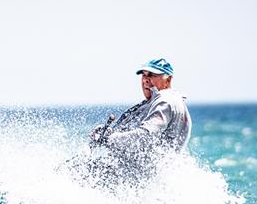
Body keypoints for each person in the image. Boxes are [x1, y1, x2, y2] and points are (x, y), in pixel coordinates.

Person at [80, 57, 191, 186]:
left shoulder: (165, 101)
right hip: (138, 178)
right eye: (143, 75)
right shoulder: (164, 101)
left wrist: (109, 139)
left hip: (132, 179)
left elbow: (146, 135)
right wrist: (109, 132)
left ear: (168, 80)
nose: (145, 80)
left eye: (152, 75)